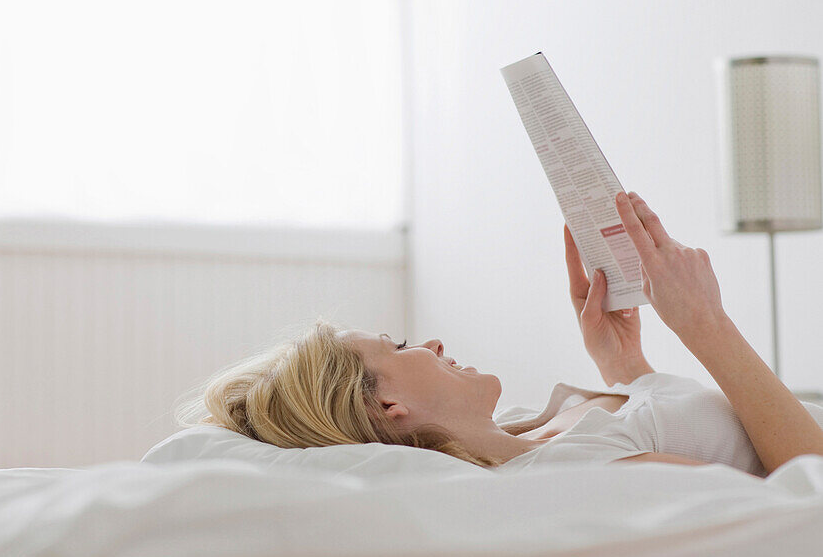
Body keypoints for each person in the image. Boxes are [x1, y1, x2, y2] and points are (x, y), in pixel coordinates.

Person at [180, 191, 823, 477]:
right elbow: (806, 493)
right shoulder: (568, 470)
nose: (428, 343)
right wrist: (706, 326)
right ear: (387, 407)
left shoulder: (525, 427)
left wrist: (623, 362)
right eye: (401, 347)